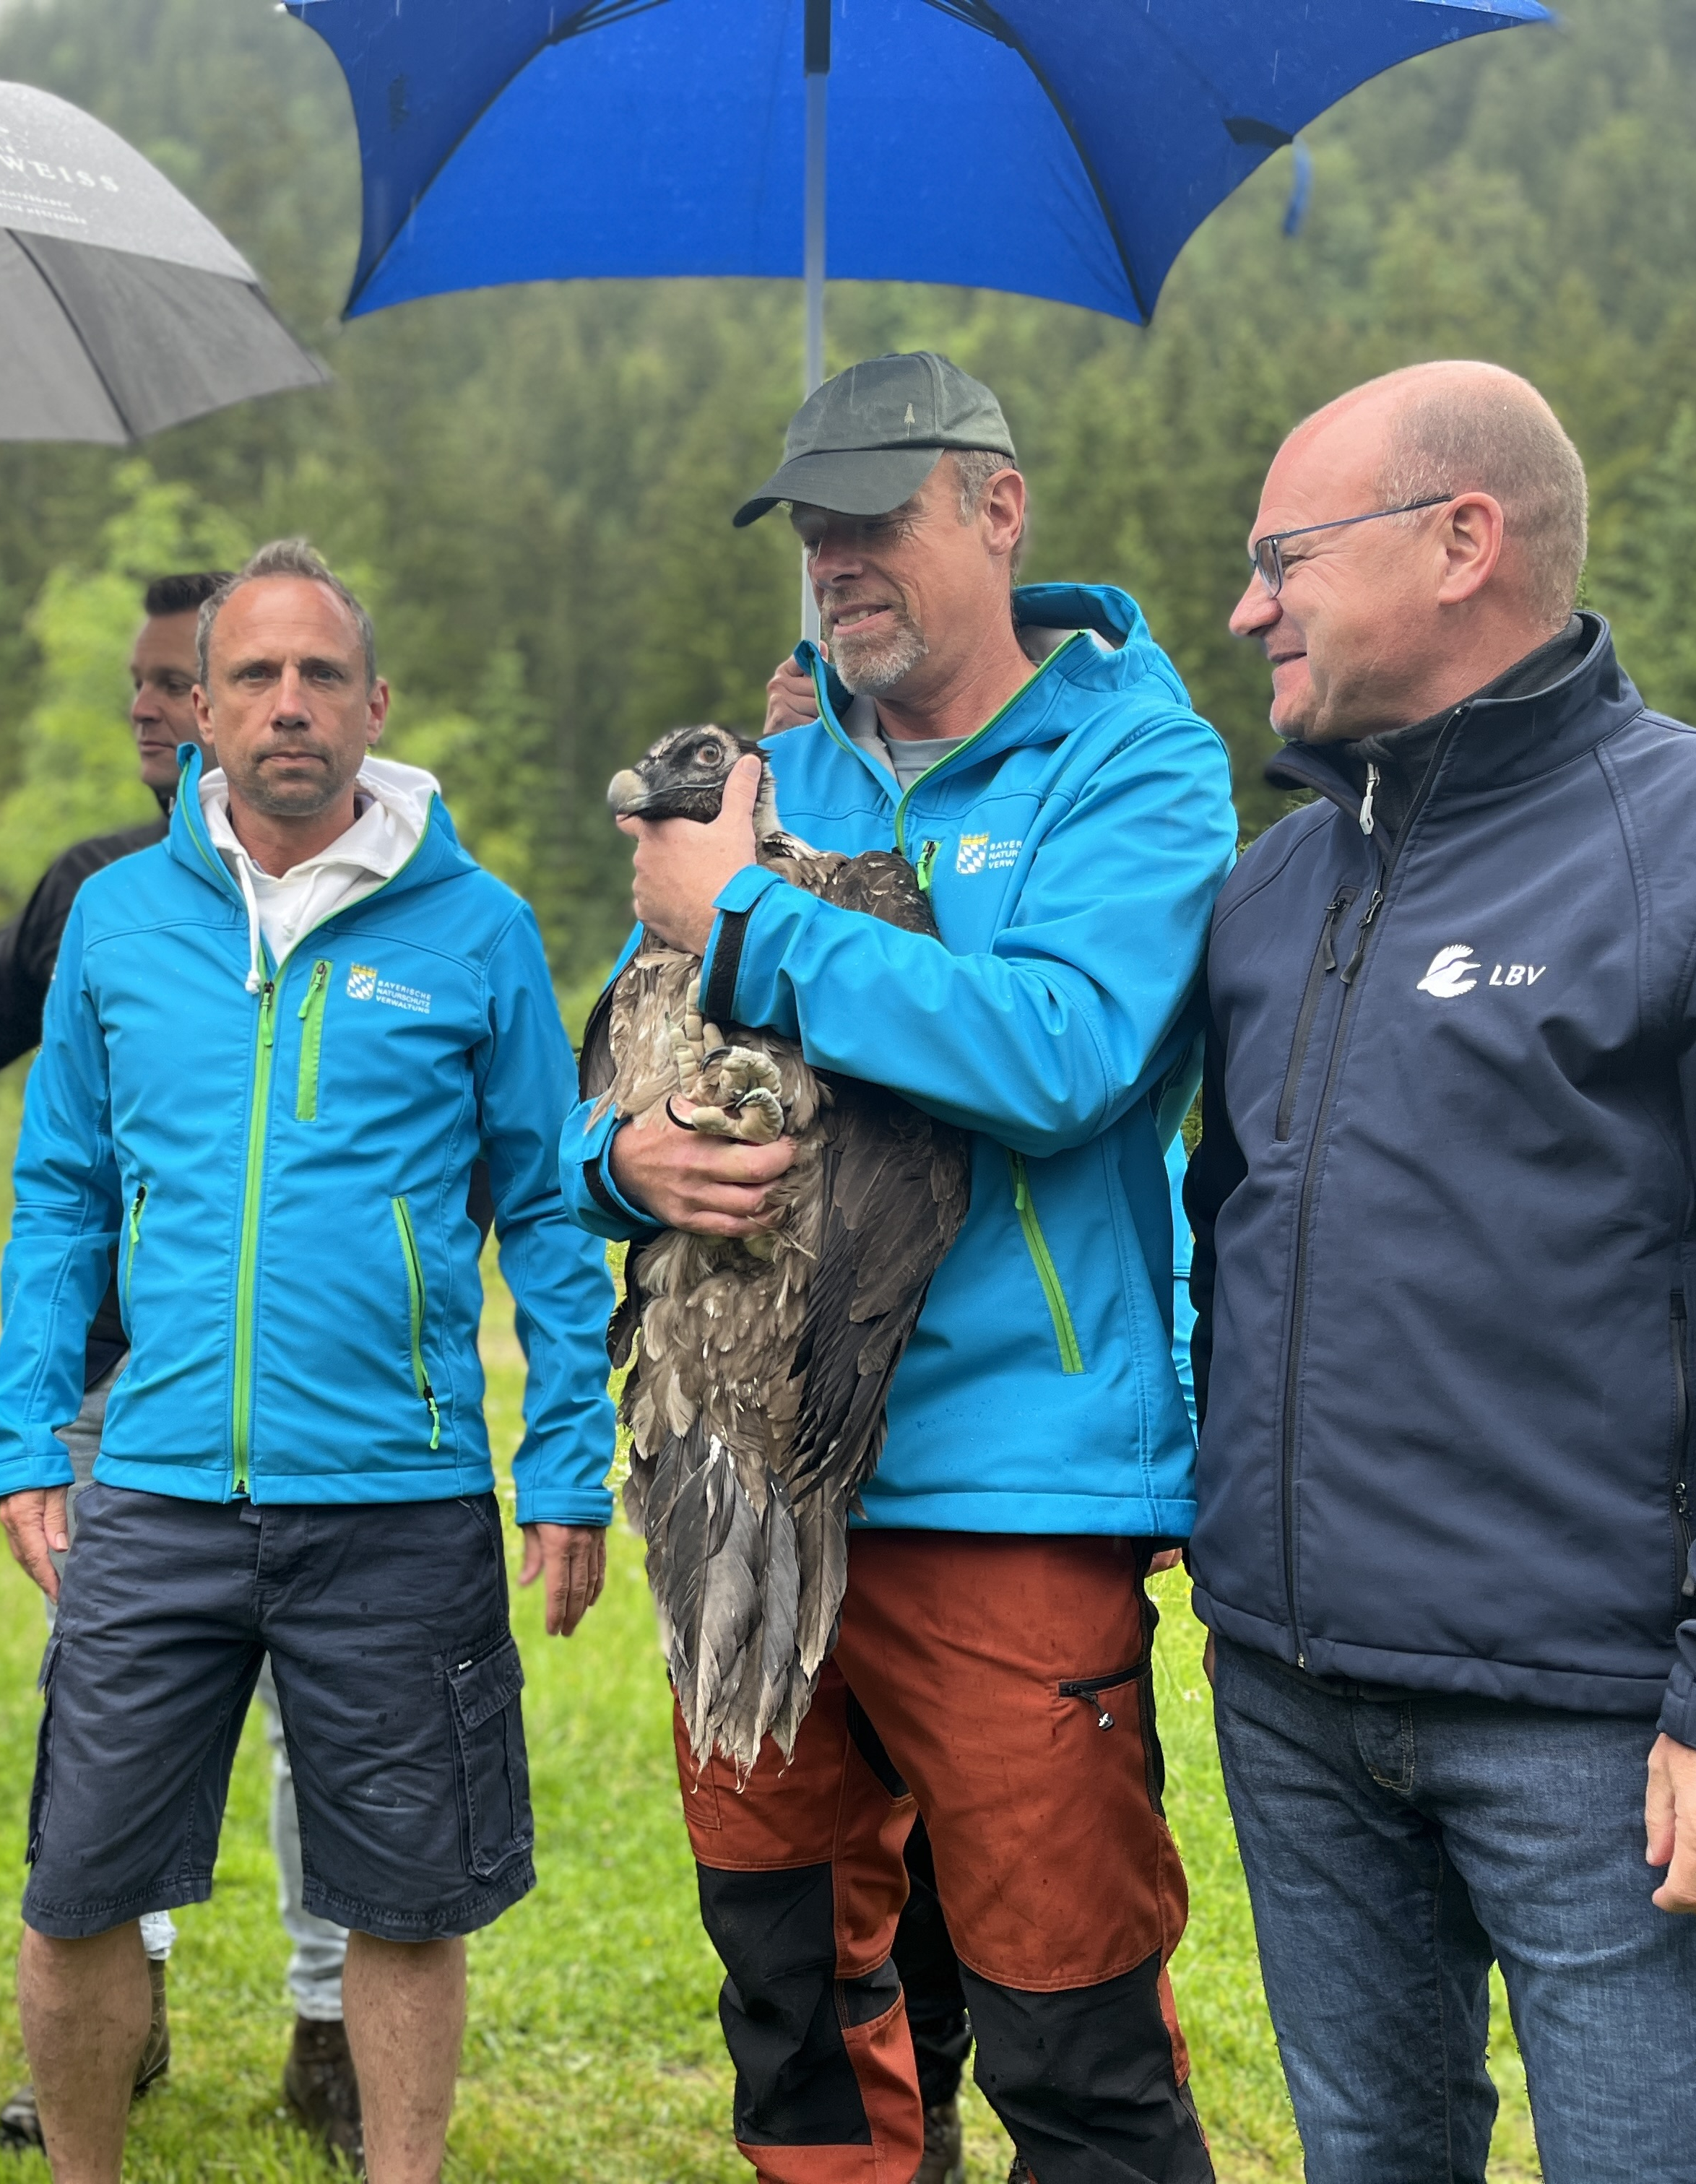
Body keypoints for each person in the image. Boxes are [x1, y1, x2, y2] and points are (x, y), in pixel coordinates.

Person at [1185, 361, 1696, 2183]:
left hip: (1599, 1727)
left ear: (1461, 542)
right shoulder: (1274, 892)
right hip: (1289, 1693)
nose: (1247, 604)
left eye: (1284, 556)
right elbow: (1228, 1230)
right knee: (1367, 2157)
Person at [561, 352, 1237, 2184]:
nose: (838, 557)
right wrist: (624, 1165)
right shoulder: (763, 778)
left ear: (996, 510)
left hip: (1004, 1483)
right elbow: (616, 1065)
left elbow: (1068, 1052)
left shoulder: (1137, 768)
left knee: (1068, 2021)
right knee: (794, 2005)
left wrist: (755, 921)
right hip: (749, 1488)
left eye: (876, 517)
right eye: (812, 527)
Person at [0, 538, 613, 2184]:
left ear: (375, 704)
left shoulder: (475, 931)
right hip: (159, 1487)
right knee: (78, 1888)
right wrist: (25, 1433)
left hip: (396, 1502)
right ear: (196, 709)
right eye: (249, 676)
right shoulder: (120, 921)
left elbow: (546, 1213)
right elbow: (59, 1193)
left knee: (407, 1899)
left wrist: (565, 1461)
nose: (286, 705)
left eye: (319, 675)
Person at [0, 571, 363, 2159]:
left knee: (326, 1731)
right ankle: (132, 2018)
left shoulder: (375, 891)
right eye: (140, 680)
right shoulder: (96, 891)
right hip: (129, 1385)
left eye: (165, 675)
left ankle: (332, 2032)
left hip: (325, 1398)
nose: (143, 703)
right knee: (120, 1715)